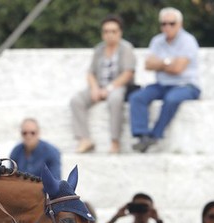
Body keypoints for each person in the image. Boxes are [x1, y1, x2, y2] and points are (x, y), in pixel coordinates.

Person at [129, 7, 201, 153]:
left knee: (172, 99)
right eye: (164, 24)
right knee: (137, 97)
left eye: (171, 23)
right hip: (162, 84)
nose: (167, 27)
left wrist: (160, 63)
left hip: (186, 85)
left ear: (180, 24)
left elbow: (178, 68)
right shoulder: (157, 41)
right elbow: (148, 65)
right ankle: (142, 134)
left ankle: (155, 134)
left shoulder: (188, 41)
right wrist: (169, 62)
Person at [70, 14, 136, 154]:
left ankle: (115, 142)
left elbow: (128, 73)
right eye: (106, 31)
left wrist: (109, 88)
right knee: (77, 100)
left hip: (118, 87)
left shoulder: (126, 48)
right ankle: (84, 139)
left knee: (115, 99)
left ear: (120, 32)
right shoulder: (99, 49)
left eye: (113, 31)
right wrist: (94, 88)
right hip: (99, 86)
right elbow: (90, 72)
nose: (109, 35)